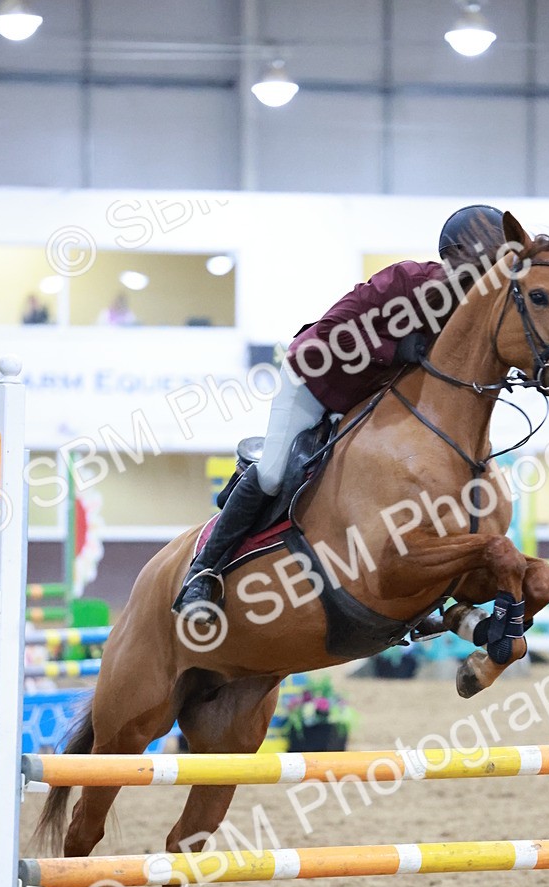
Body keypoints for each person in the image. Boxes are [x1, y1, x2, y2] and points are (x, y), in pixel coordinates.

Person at [173, 204, 509, 619]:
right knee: (275, 472)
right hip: (314, 380)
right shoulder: (404, 282)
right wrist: (396, 349)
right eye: (491, 261)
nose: (496, 275)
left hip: (369, 399)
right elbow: (332, 334)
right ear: (458, 256)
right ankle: (203, 571)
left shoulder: (471, 315)